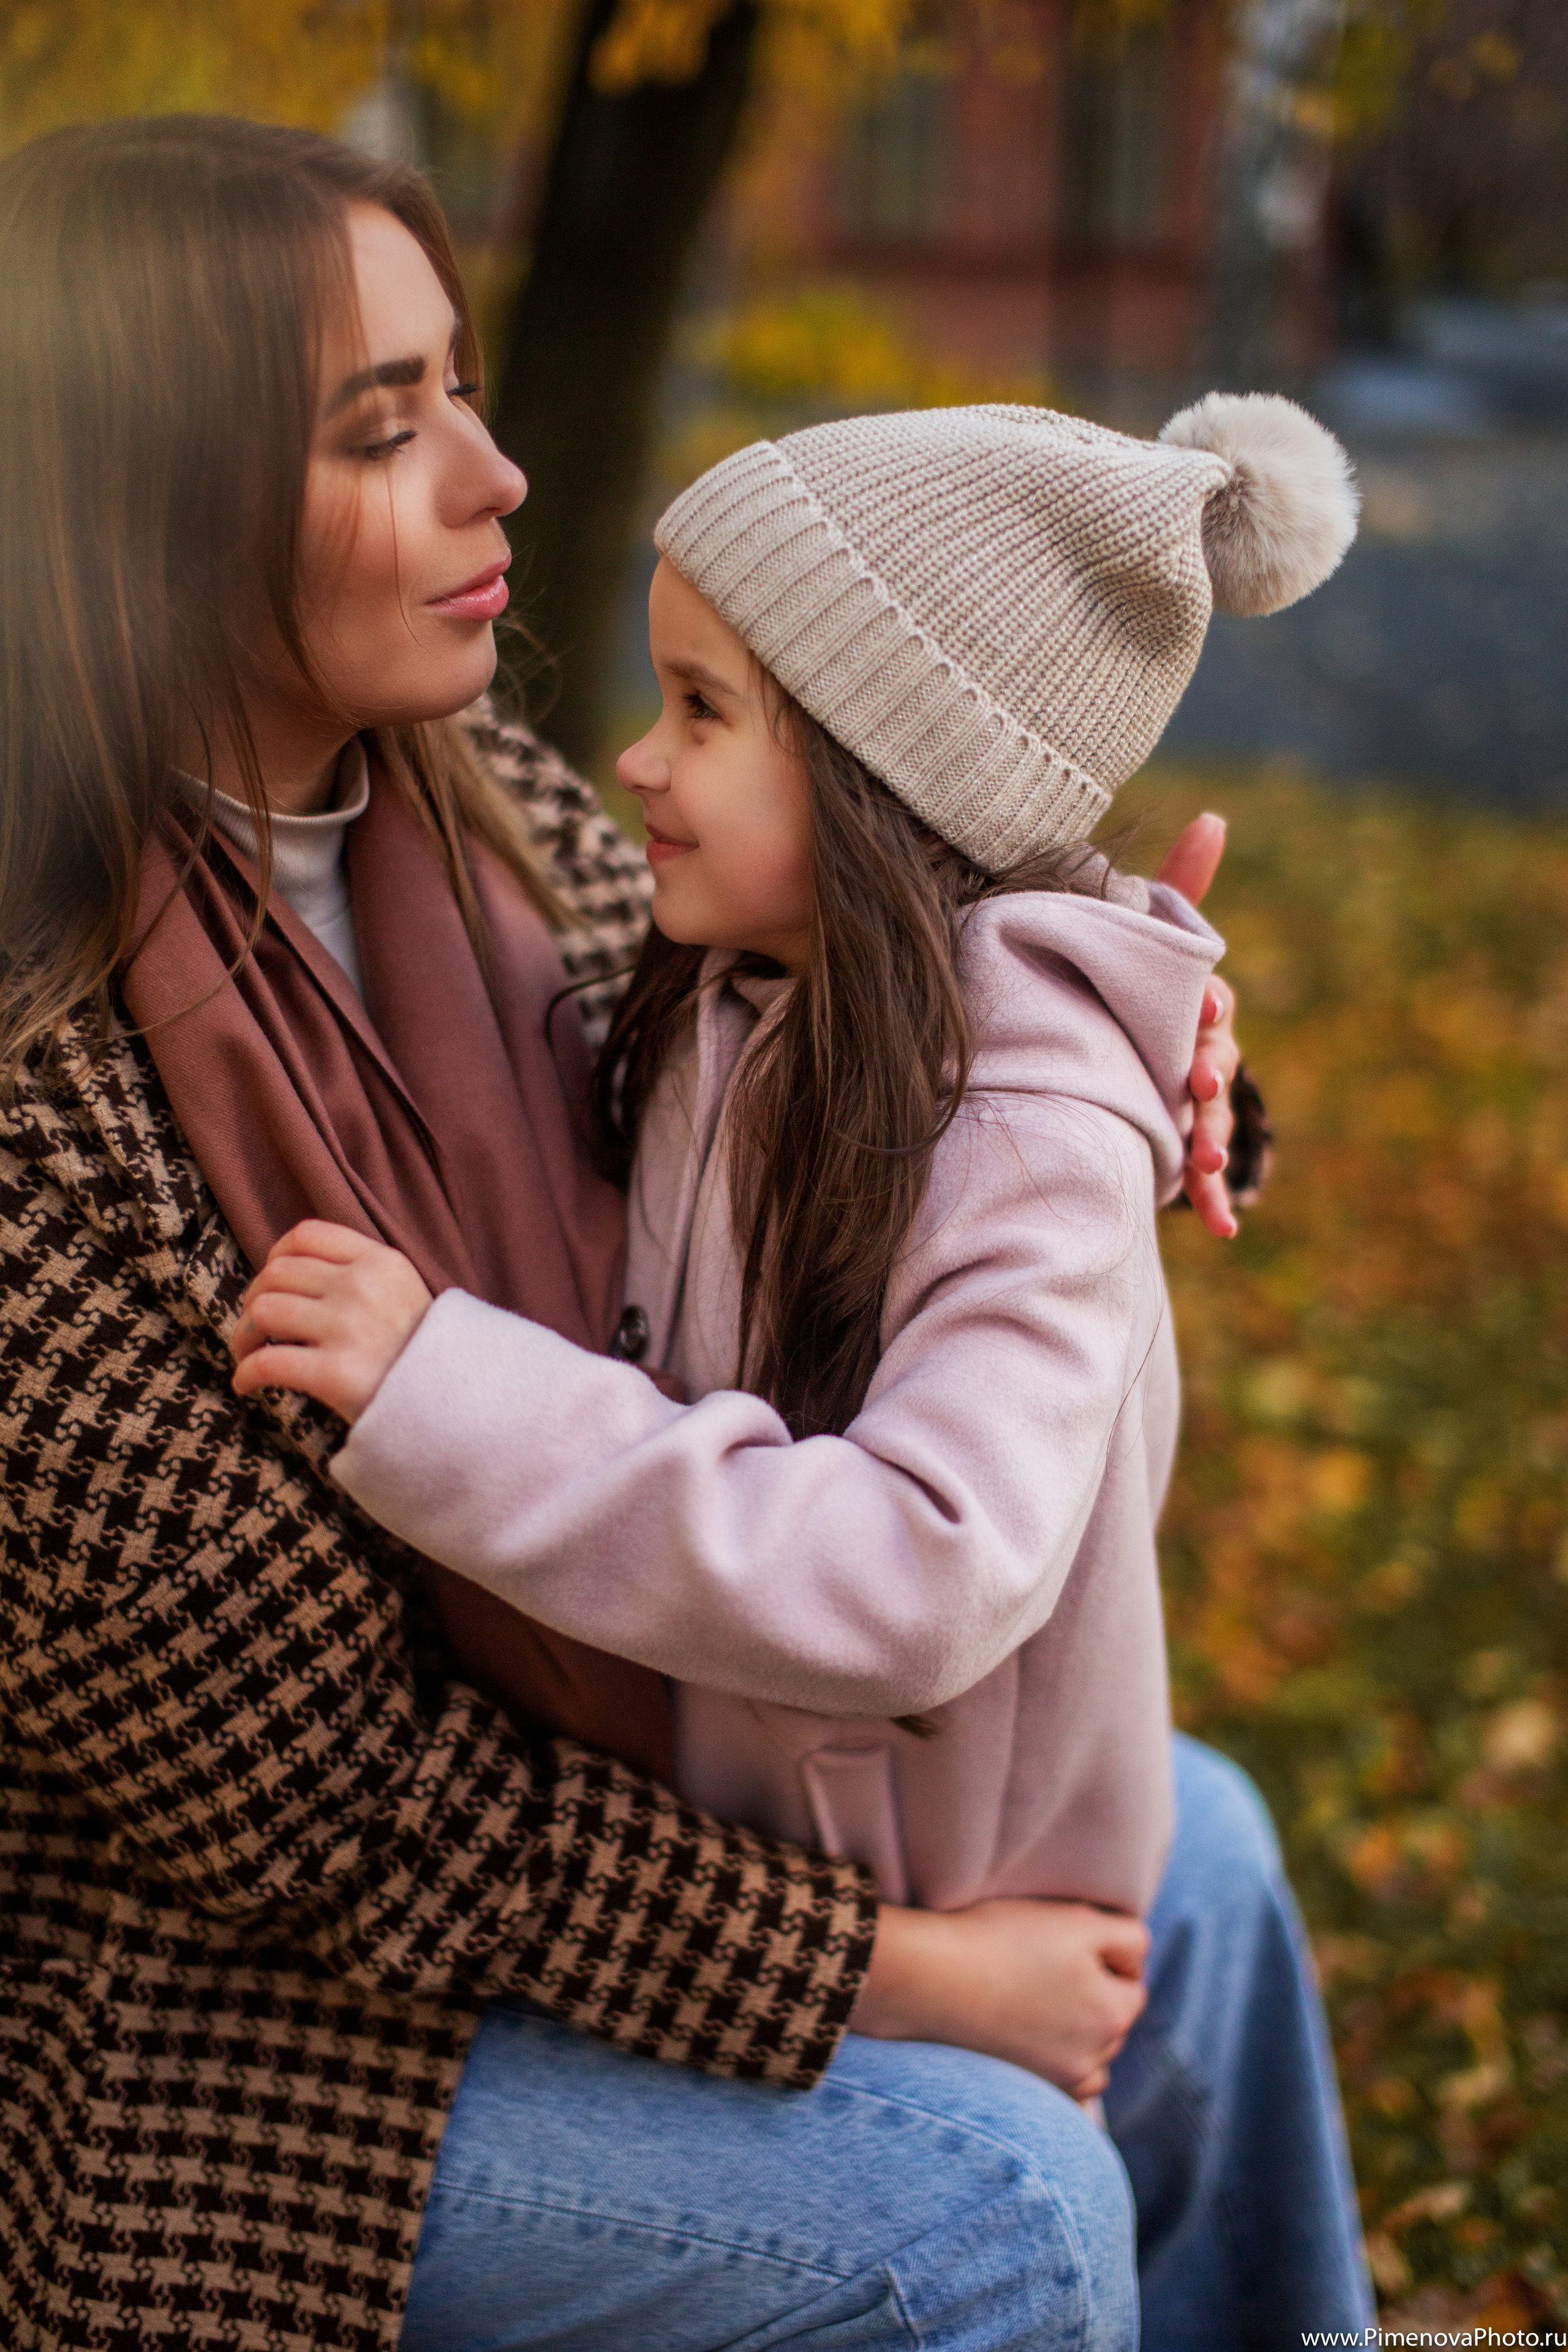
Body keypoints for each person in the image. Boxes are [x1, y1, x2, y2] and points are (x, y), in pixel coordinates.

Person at [0, 110, 1366, 2352]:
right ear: (157, 505)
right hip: (240, 2014)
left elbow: (865, 1036)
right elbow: (334, 1818)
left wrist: (1137, 1085)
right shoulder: (42, 1103)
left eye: (460, 380)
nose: (497, 474)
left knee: (1194, 1855)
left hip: (665, 1722)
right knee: (990, 2202)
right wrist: (895, 1980)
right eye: (387, 423)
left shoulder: (499, 815)